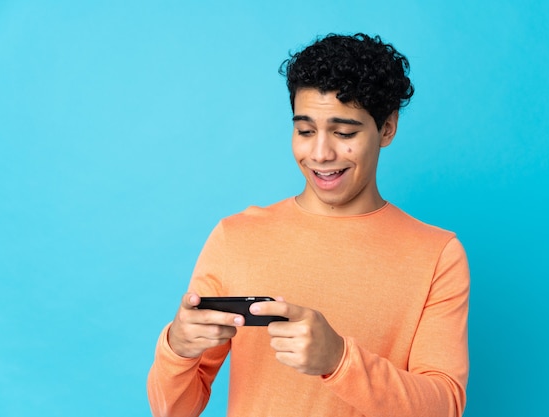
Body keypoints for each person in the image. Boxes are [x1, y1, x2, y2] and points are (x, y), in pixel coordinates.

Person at [147, 33, 470, 417]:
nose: (320, 153)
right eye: (305, 130)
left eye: (344, 132)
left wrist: (339, 361)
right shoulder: (237, 238)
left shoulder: (436, 254)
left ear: (387, 128)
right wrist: (178, 348)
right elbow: (173, 410)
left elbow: (445, 407)